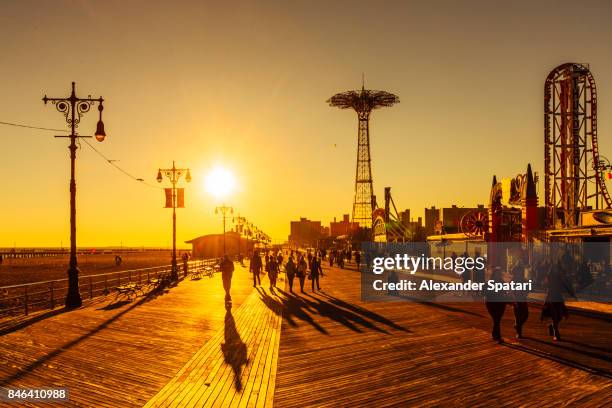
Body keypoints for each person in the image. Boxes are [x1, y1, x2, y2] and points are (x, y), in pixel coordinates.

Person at [541, 261, 576, 341]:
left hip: (558, 297)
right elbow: (545, 285)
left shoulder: (560, 276)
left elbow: (565, 286)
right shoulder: (550, 276)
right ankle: (556, 333)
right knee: (554, 315)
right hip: (552, 297)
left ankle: (552, 326)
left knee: (559, 316)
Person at [485, 266, 507, 343]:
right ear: (494, 274)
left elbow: (505, 292)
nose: (498, 275)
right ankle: (498, 337)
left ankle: (495, 334)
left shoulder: (502, 282)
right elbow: (487, 294)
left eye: (499, 274)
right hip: (492, 304)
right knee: (496, 319)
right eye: (496, 274)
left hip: (500, 304)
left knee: (497, 320)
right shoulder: (490, 283)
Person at [511, 258, 529, 338]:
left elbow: (528, 289)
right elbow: (511, 290)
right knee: (518, 316)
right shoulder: (514, 280)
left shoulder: (523, 279)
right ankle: (519, 333)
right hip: (517, 299)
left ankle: (518, 326)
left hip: (522, 298)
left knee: (525, 315)